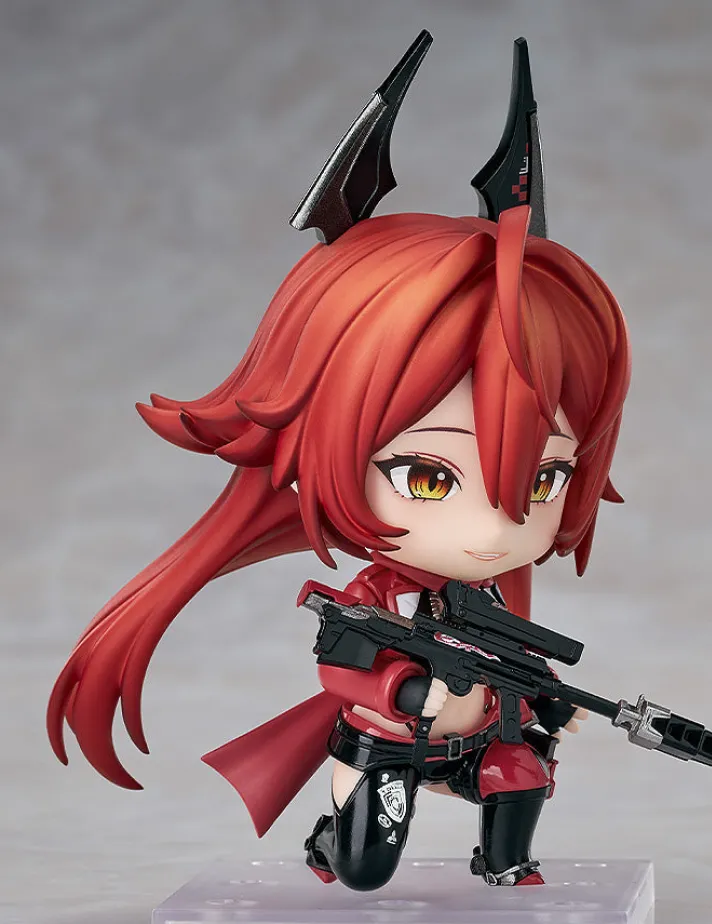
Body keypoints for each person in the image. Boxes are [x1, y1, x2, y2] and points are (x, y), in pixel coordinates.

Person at [47, 34, 630, 891]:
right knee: (363, 871)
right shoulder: (375, 599)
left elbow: (522, 664)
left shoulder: (493, 604)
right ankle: (331, 842)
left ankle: (505, 864)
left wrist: (545, 699)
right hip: (388, 745)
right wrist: (407, 696)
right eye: (429, 477)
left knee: (524, 774)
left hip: (482, 743)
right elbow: (342, 667)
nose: (495, 524)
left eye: (544, 479)